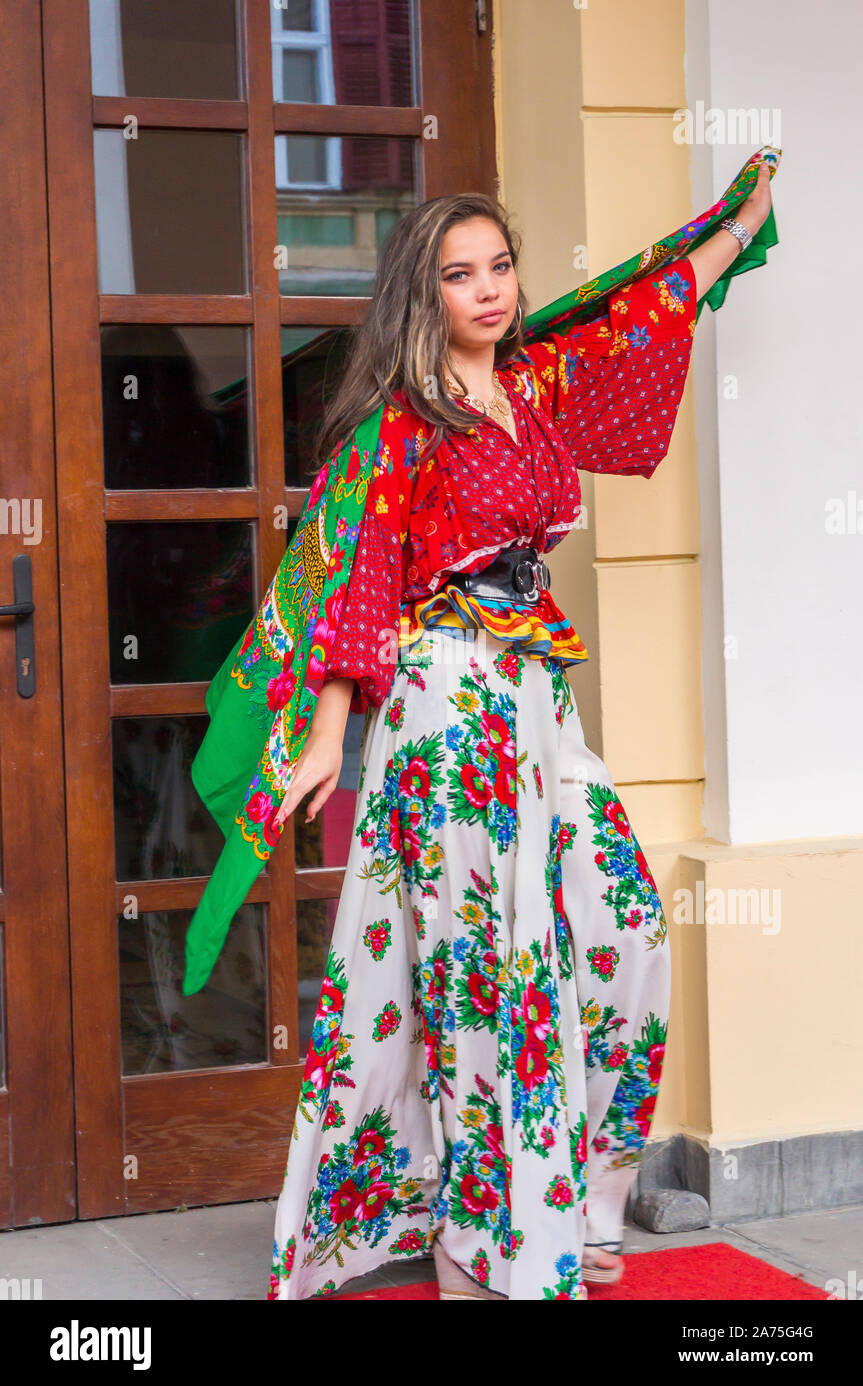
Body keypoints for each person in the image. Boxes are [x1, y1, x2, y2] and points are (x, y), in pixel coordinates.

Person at [258, 158, 775, 1301]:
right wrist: (327, 736)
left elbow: (640, 316)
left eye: (499, 267)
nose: (487, 290)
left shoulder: (533, 381)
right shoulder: (399, 426)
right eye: (459, 273)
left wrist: (731, 234)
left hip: (538, 694)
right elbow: (356, 585)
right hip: (445, 705)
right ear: (421, 293)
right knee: (489, 969)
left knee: (623, 923)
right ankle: (485, 1236)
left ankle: (576, 1203)